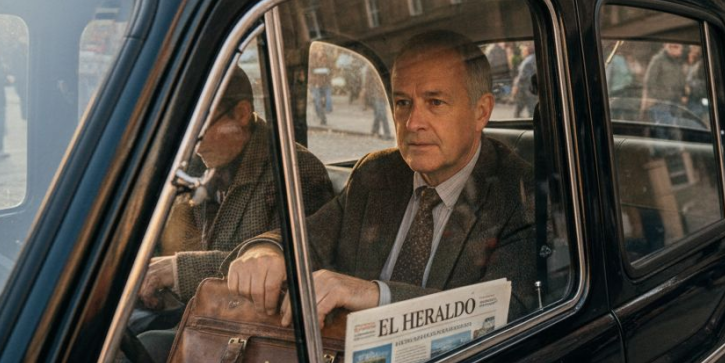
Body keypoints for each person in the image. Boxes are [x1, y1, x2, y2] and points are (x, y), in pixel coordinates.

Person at [225, 30, 536, 328]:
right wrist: (268, 251)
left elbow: (505, 313)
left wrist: (373, 294)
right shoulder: (377, 173)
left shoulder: (519, 193)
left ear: (481, 112)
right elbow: (310, 239)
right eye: (403, 103)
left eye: (435, 103)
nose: (413, 122)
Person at [136, 67, 334, 313]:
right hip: (179, 310)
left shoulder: (295, 171)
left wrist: (178, 270)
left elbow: (287, 269)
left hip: (236, 325)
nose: (194, 144)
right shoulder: (195, 163)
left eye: (200, 126)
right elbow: (165, 234)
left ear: (241, 114)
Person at [511, 43, 537, 118]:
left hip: (526, 91)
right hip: (530, 90)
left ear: (528, 50)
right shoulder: (533, 58)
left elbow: (522, 77)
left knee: (529, 110)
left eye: (523, 49)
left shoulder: (527, 62)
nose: (522, 51)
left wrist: (515, 88)